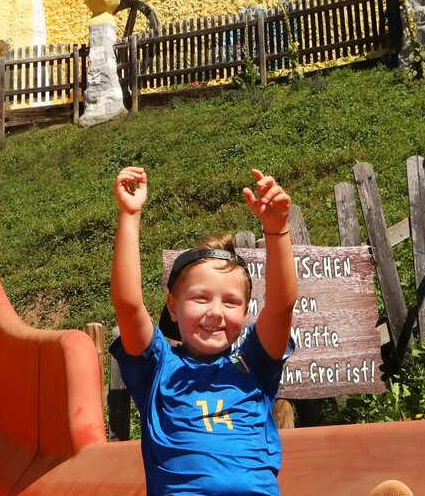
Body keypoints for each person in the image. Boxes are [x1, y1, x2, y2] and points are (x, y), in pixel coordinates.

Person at [109, 166, 297, 496]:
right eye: (200, 298)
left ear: (244, 311)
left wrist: (277, 229)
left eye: (230, 302)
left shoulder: (256, 363)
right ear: (172, 306)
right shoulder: (157, 367)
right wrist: (129, 215)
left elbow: (281, 305)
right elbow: (127, 303)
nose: (215, 312)